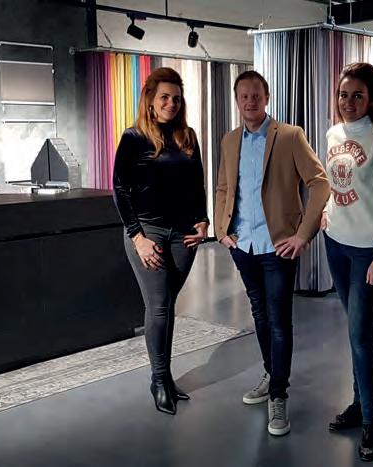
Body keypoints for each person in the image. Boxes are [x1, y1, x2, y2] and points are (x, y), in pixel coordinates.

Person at [214, 70, 330, 436]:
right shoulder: (230, 140)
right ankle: (271, 373)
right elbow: (223, 187)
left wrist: (303, 234)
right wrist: (221, 230)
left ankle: (279, 394)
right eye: (244, 96)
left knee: (279, 321)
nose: (250, 101)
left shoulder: (290, 136)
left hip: (278, 246)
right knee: (260, 315)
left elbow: (319, 183)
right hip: (243, 245)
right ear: (237, 100)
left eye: (256, 95)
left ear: (267, 98)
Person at [321, 62, 373, 461]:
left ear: (372, 100)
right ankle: (358, 406)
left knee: (359, 335)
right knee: (355, 331)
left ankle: (372, 423)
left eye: (357, 95)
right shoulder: (333, 134)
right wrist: (326, 213)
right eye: (343, 94)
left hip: (368, 253)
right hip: (336, 244)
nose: (348, 102)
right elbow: (334, 182)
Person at [113, 67, 208, 416]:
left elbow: (197, 185)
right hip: (148, 231)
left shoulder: (188, 136)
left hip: (184, 235)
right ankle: (158, 381)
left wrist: (204, 221)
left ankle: (165, 377)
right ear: (151, 100)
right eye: (165, 97)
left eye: (176, 98)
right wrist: (136, 237)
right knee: (159, 306)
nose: (171, 103)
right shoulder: (134, 137)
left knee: (168, 303)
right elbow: (120, 190)